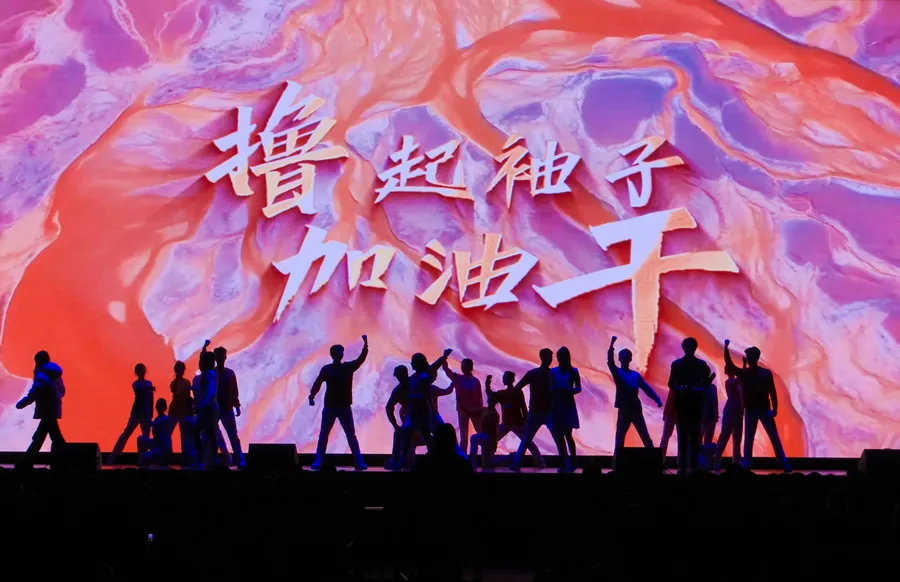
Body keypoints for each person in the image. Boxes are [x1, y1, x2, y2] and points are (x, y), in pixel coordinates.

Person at [724, 340, 791, 472]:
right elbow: (730, 365)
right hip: (752, 410)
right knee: (753, 437)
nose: (748, 359)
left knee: (772, 436)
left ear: (755, 358)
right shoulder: (749, 373)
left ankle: (782, 461)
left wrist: (775, 408)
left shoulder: (762, 373)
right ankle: (749, 462)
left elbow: (772, 391)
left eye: (749, 357)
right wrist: (726, 350)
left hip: (762, 409)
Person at [309, 336, 369, 471]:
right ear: (332, 354)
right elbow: (318, 383)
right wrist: (312, 395)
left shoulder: (347, 367)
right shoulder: (327, 369)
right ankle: (318, 459)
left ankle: (358, 460)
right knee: (324, 434)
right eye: (337, 352)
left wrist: (365, 346)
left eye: (341, 351)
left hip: (344, 406)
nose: (340, 354)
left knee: (350, 434)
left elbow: (360, 360)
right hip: (330, 406)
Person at [667, 338, 714, 475]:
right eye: (687, 347)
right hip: (682, 404)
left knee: (694, 437)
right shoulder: (677, 364)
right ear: (684, 348)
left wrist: (695, 389)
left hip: (695, 404)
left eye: (691, 347)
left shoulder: (701, 365)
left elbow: (705, 384)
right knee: (683, 436)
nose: (689, 349)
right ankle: (683, 467)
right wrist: (681, 388)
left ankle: (693, 467)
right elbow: (671, 383)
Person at [608, 336, 663, 454]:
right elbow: (611, 363)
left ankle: (654, 460)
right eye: (623, 357)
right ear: (620, 359)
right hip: (624, 409)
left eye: (627, 357)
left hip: (635, 408)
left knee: (644, 435)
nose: (625, 359)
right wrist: (611, 345)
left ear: (630, 359)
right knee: (620, 438)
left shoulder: (635, 375)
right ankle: (616, 462)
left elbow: (646, 388)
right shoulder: (618, 372)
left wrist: (657, 399)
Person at [16, 351, 66, 465]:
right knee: (48, 436)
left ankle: (27, 461)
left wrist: (22, 403)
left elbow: (35, 392)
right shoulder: (56, 375)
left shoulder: (41, 375)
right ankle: (28, 460)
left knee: (45, 437)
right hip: (53, 408)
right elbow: (62, 391)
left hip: (46, 409)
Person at [509, 348, 554, 472]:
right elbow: (517, 388)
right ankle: (516, 463)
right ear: (542, 357)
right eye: (548, 357)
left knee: (557, 438)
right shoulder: (534, 374)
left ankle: (565, 464)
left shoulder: (551, 374)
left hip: (547, 412)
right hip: (536, 412)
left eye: (551, 357)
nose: (550, 360)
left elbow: (517, 388)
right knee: (526, 439)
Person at [402, 349, 454, 456]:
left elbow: (424, 394)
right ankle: (404, 458)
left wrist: (444, 357)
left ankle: (435, 455)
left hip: (422, 410)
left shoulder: (423, 377)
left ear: (417, 363)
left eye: (413, 362)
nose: (411, 364)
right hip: (414, 410)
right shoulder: (413, 377)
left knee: (426, 434)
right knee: (409, 434)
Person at [488, 372, 545, 468]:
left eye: (505, 378)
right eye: (503, 377)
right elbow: (491, 396)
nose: (503, 379)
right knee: (494, 439)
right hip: (507, 423)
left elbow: (523, 408)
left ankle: (540, 461)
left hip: (517, 423)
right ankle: (489, 459)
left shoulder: (517, 392)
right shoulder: (502, 393)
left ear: (511, 380)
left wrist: (526, 421)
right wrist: (487, 385)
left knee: (528, 442)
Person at [108, 363, 156, 465]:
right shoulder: (136, 384)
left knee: (144, 437)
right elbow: (140, 390)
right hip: (136, 413)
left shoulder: (148, 384)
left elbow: (151, 399)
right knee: (127, 434)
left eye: (142, 370)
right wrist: (150, 389)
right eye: (140, 371)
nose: (141, 372)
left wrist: (151, 413)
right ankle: (113, 456)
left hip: (145, 413)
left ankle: (143, 459)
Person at [549, 347, 582, 473]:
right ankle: (563, 463)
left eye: (563, 356)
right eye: (559, 356)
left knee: (568, 435)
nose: (561, 359)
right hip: (557, 404)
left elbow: (578, 388)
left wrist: (571, 390)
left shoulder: (573, 371)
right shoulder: (553, 372)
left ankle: (573, 461)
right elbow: (550, 387)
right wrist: (555, 389)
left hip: (568, 405)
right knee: (559, 436)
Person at [212, 347, 245, 468]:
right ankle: (226, 457)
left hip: (226, 408)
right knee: (215, 434)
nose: (221, 357)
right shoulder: (212, 373)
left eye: (222, 355)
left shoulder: (230, 373)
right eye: (219, 355)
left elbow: (234, 391)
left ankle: (240, 459)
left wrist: (237, 405)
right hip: (215, 408)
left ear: (225, 356)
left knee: (233, 436)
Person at [442, 358, 483, 450]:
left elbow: (479, 397)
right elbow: (447, 370)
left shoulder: (475, 381)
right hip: (462, 410)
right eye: (462, 366)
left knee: (480, 431)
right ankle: (463, 455)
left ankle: (486, 452)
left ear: (470, 367)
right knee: (463, 435)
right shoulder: (458, 378)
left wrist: (480, 410)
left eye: (464, 366)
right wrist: (444, 358)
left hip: (474, 411)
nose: (463, 367)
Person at [715, 358, 745, 470]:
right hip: (731, 410)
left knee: (737, 437)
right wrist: (744, 364)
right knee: (725, 435)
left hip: (737, 410)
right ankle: (717, 459)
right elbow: (741, 377)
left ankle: (736, 461)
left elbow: (741, 377)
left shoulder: (736, 382)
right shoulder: (730, 382)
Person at [193, 350, 219, 469]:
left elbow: (211, 390)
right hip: (207, 409)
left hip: (209, 409)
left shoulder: (209, 374)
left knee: (208, 434)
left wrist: (205, 403)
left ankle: (210, 460)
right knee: (205, 433)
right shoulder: (206, 374)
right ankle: (207, 459)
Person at [169, 360, 197, 466]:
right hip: (176, 410)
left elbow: (186, 396)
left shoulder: (186, 382)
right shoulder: (175, 383)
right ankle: (168, 455)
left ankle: (186, 458)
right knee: (169, 432)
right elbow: (175, 391)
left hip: (183, 410)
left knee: (184, 435)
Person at [469, 381, 501, 471]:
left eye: (491, 399)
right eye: (489, 399)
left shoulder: (494, 414)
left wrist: (494, 445)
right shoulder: (484, 410)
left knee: (474, 438)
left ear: (494, 402)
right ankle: (511, 457)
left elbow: (495, 430)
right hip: (485, 437)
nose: (489, 400)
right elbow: (471, 411)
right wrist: (462, 404)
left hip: (489, 438)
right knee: (487, 464)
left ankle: (473, 462)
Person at [137, 398, 173, 467]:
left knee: (146, 457)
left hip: (163, 448)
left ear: (164, 407)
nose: (158, 407)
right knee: (140, 439)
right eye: (157, 405)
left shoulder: (165, 419)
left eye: (160, 406)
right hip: (156, 444)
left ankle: (161, 460)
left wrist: (146, 413)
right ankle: (141, 460)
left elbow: (153, 424)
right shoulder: (157, 418)